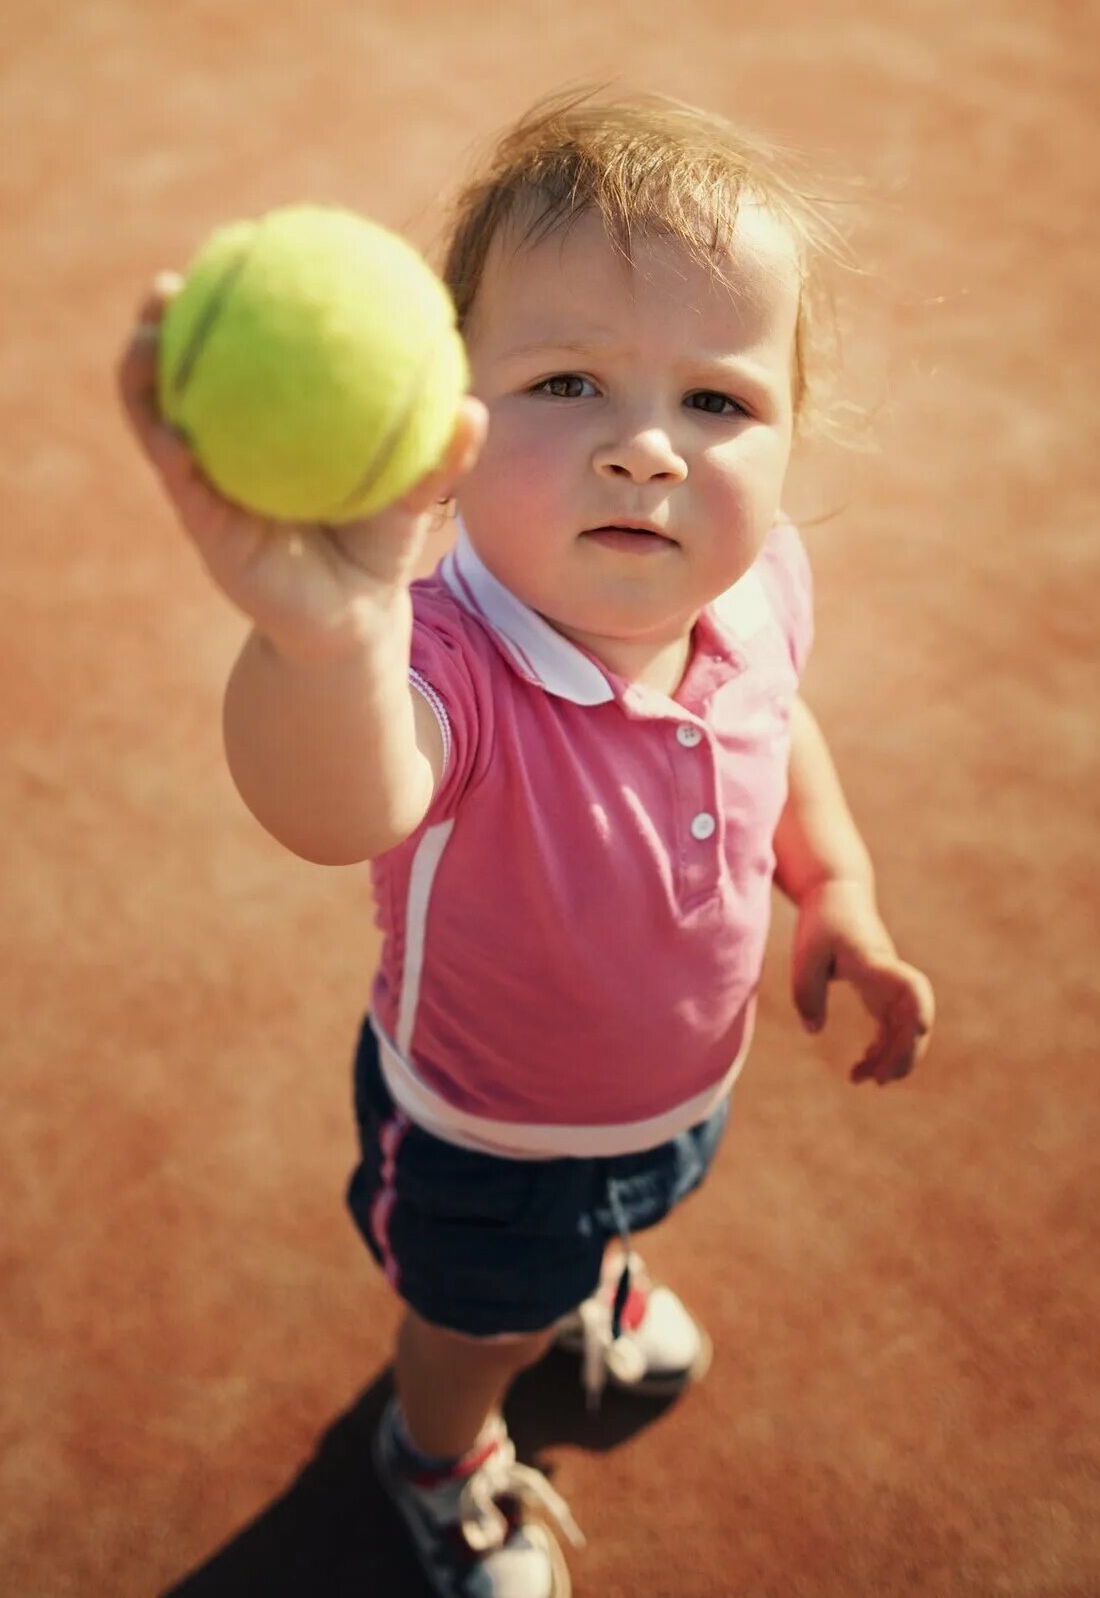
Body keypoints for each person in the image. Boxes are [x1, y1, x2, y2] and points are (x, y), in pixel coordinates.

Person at [118, 87, 936, 1598]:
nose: (645, 450)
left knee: (635, 1209)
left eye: (718, 401)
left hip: (677, 1090)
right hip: (488, 1136)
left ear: (792, 429)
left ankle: (591, 1287)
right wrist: (326, 640)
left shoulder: (757, 593)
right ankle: (435, 1453)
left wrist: (835, 889)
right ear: (446, 419)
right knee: (471, 1319)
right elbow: (339, 800)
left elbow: (781, 730)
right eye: (569, 383)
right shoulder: (441, 665)